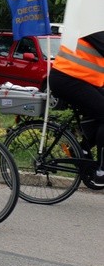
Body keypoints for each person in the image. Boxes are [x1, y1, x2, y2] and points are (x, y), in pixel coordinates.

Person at [49, 31, 104, 186]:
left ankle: (81, 149)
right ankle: (102, 170)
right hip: (67, 78)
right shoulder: (90, 25)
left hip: (82, 79)